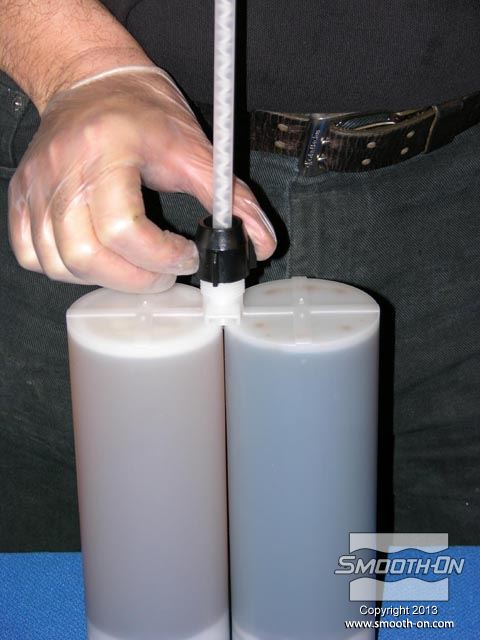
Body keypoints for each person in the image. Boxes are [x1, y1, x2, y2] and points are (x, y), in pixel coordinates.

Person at [0, 0, 478, 550]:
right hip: (108, 160)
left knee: (429, 580)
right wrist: (78, 61)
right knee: (97, 561)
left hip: (457, 189)